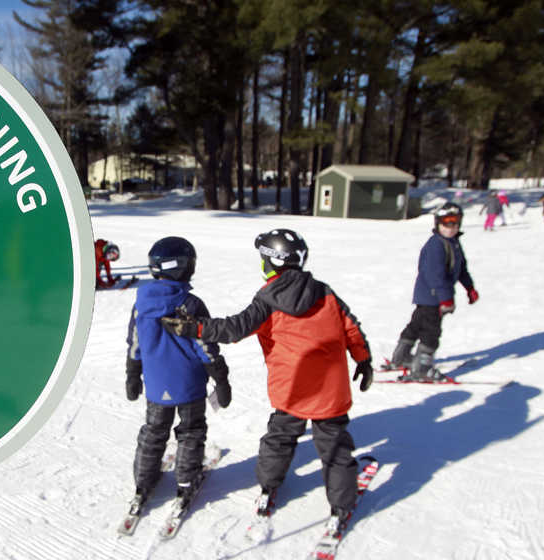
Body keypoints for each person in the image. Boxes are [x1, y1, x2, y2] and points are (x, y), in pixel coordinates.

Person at [160, 228, 372, 532]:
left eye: (263, 259)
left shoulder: (267, 299)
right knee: (335, 449)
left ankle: (268, 486)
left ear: (272, 263)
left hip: (292, 390)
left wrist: (194, 328)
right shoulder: (324, 291)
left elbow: (234, 328)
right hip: (330, 391)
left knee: (279, 440)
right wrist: (363, 359)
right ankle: (341, 506)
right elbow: (350, 326)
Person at [125, 236, 231, 511]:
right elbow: (205, 345)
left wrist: (133, 374)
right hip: (190, 386)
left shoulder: (141, 304)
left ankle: (143, 481)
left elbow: (135, 343)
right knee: (191, 432)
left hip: (157, 387)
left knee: (154, 430)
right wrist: (220, 378)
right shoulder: (190, 304)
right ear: (181, 267)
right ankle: (186, 481)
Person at [387, 202, 479, 380]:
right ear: (438, 223)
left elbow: (461, 269)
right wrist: (445, 299)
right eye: (447, 223)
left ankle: (401, 357)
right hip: (431, 296)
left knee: (416, 326)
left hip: (432, 296)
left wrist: (469, 288)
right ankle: (421, 368)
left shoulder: (453, 243)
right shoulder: (436, 245)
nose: (451, 227)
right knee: (431, 331)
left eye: (455, 222)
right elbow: (435, 276)